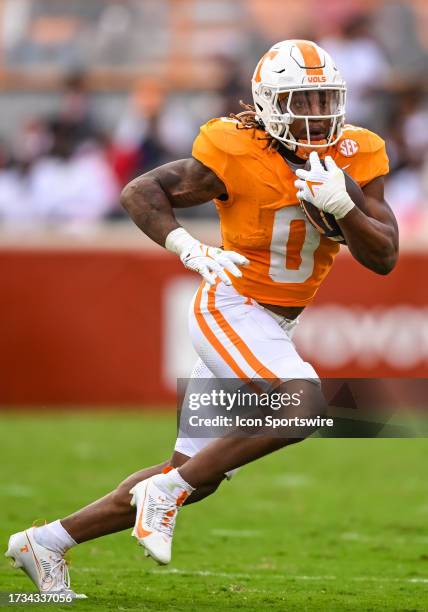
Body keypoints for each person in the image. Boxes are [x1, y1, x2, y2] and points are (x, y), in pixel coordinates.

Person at [5, 39, 398, 596]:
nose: (313, 114)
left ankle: (46, 542)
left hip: (275, 322)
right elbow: (143, 192)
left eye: (321, 99)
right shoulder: (235, 148)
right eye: (299, 101)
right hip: (231, 305)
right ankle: (163, 495)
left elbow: (383, 255)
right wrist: (186, 246)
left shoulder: (358, 153)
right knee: (303, 402)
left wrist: (347, 205)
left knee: (195, 472)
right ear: (265, 104)